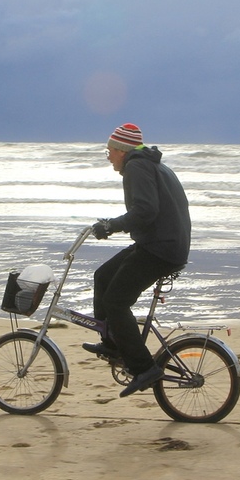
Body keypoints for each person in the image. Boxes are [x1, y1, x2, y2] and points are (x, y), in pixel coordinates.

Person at [83, 123, 191, 398]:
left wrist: (111, 226)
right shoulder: (148, 164)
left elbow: (145, 210)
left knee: (116, 302)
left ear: (121, 150)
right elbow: (150, 212)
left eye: (109, 151)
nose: (107, 156)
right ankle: (112, 344)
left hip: (161, 249)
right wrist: (113, 225)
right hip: (160, 244)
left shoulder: (136, 166)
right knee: (103, 276)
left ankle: (144, 368)